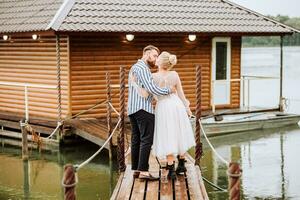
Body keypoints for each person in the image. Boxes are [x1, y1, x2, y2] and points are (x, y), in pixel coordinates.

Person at [132, 51, 195, 180]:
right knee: (179, 132)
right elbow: (181, 94)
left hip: (164, 107)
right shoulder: (175, 74)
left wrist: (135, 83)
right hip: (177, 105)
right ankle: (182, 163)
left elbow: (147, 95)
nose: (155, 59)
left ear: (160, 62)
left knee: (167, 135)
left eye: (157, 58)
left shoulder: (153, 77)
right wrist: (187, 108)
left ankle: (171, 169)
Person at [127, 45, 175, 180]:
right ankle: (143, 171)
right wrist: (168, 90)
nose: (155, 60)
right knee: (146, 139)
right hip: (143, 108)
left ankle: (136, 169)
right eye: (154, 56)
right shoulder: (142, 68)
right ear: (146, 53)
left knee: (136, 139)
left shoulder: (134, 67)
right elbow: (151, 88)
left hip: (133, 108)